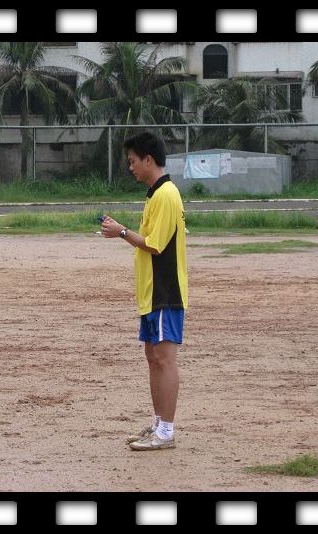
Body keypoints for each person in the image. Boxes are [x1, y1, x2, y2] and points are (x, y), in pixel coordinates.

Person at [101, 132, 188, 451]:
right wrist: (122, 231)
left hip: (166, 291)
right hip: (152, 293)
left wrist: (121, 231)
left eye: (133, 161)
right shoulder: (155, 195)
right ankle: (158, 424)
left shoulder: (166, 194)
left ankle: (166, 431)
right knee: (153, 357)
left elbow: (155, 244)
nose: (131, 167)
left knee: (164, 359)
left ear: (148, 159)